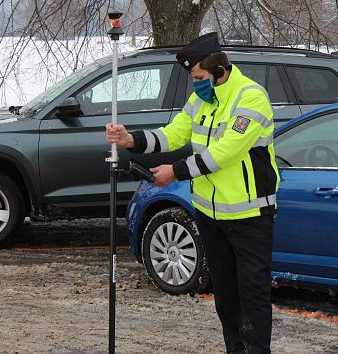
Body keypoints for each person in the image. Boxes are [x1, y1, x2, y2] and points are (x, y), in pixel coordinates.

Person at [105, 32, 279, 354]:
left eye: (198, 77)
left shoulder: (250, 97)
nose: (194, 83)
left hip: (249, 217)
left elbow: (224, 153)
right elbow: (174, 133)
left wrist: (177, 172)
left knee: (252, 299)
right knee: (226, 300)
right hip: (209, 215)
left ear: (218, 70)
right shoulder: (201, 99)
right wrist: (132, 140)